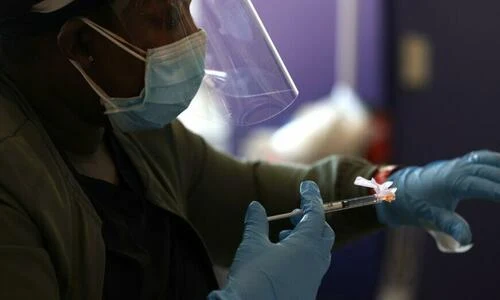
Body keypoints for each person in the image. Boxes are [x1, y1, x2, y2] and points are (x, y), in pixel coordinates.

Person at [1, 1, 500, 299]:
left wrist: (390, 189)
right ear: (81, 45)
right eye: (165, 16)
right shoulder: (13, 186)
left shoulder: (127, 127)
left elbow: (249, 195)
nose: (193, 36)